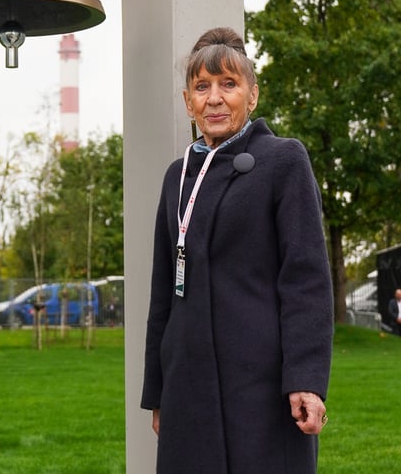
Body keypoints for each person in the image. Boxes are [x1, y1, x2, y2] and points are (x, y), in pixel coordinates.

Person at [140, 27, 334, 474]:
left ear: (252, 95)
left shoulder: (284, 160)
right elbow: (162, 294)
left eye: (229, 84)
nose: (214, 98)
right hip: (188, 387)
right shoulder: (177, 176)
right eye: (202, 87)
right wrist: (159, 392)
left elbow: (305, 279)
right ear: (188, 101)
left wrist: (306, 381)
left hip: (262, 388)